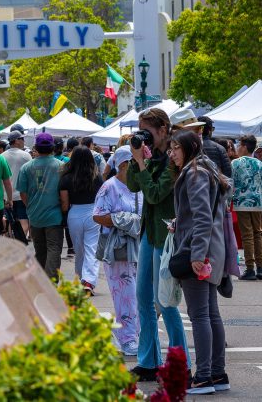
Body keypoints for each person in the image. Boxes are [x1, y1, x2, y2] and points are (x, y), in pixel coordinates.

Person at [126, 108, 191, 383]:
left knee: (165, 301)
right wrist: (137, 158)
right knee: (143, 298)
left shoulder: (174, 159)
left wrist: (142, 164)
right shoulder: (151, 155)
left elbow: (153, 194)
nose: (144, 136)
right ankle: (149, 361)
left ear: (163, 129)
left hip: (166, 236)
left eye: (147, 131)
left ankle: (181, 364)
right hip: (149, 233)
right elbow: (132, 185)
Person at [170, 130, 230, 395]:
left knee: (200, 315)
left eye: (176, 148)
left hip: (199, 251)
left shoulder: (195, 172)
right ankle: (217, 373)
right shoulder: (207, 169)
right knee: (210, 313)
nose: (172, 153)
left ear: (189, 148)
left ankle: (204, 376)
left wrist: (196, 254)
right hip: (210, 248)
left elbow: (203, 216)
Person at [93, 145, 141, 356]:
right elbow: (98, 215)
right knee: (125, 294)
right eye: (135, 162)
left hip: (139, 246)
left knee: (140, 294)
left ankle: (133, 334)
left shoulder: (139, 185)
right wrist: (124, 220)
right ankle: (128, 338)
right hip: (118, 248)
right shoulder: (109, 187)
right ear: (123, 164)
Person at [232, 135, 262, 281]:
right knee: (257, 234)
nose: (237, 148)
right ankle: (260, 268)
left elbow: (231, 186)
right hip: (257, 203)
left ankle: (250, 269)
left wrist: (226, 203)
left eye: (239, 145)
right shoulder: (260, 164)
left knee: (247, 235)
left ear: (244, 146)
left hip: (241, 203)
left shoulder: (235, 163)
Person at [17, 133, 64, 280]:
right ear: (52, 148)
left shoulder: (26, 168)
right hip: (55, 216)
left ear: (36, 147)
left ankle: (41, 280)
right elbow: (64, 192)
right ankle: (51, 281)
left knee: (40, 250)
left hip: (35, 216)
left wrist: (30, 206)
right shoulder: (61, 166)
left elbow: (22, 193)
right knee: (54, 248)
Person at [60, 147, 104, 295]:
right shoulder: (96, 177)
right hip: (93, 212)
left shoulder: (66, 178)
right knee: (91, 248)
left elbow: (64, 204)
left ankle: (80, 279)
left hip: (74, 213)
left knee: (79, 250)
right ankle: (88, 281)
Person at [2, 130, 33, 238]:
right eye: (22, 139)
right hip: (22, 194)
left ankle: (13, 243)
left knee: (11, 221)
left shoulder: (2, 156)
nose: (24, 141)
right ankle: (20, 242)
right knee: (24, 221)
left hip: (6, 195)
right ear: (16, 141)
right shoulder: (26, 156)